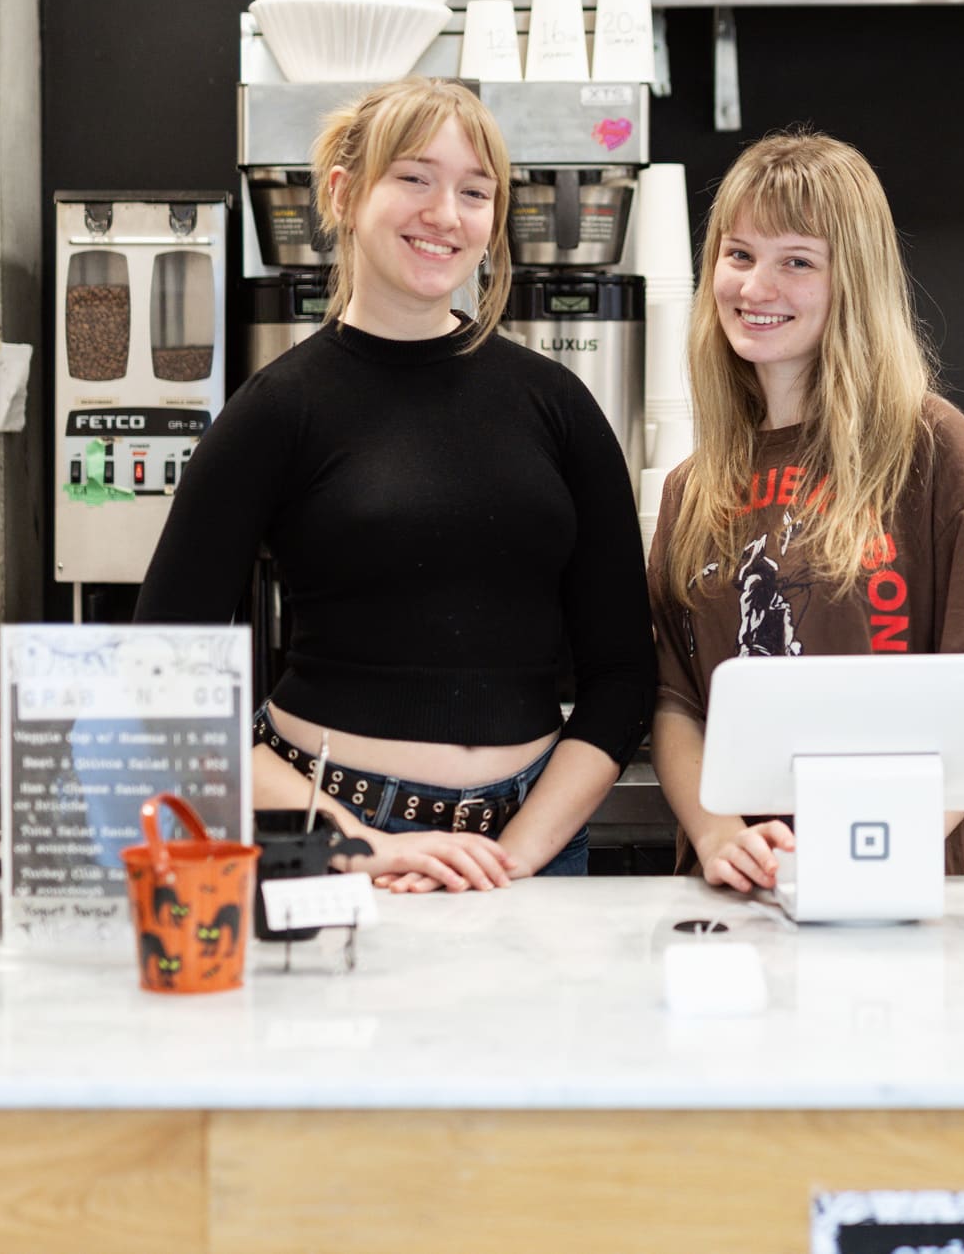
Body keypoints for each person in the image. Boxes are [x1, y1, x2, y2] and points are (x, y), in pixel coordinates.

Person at [138, 77, 654, 889]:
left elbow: (623, 673)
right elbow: (162, 670)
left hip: (533, 847)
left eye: (474, 191)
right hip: (331, 838)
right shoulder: (277, 409)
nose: (445, 213)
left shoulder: (557, 404)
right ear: (344, 193)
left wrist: (510, 855)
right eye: (414, 178)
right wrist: (355, 841)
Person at [646, 130, 964, 892]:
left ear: (854, 280)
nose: (754, 287)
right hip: (746, 891)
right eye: (738, 255)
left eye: (796, 262)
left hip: (901, 884)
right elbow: (676, 701)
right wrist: (716, 837)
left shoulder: (931, 447)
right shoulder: (693, 486)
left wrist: (869, 855)